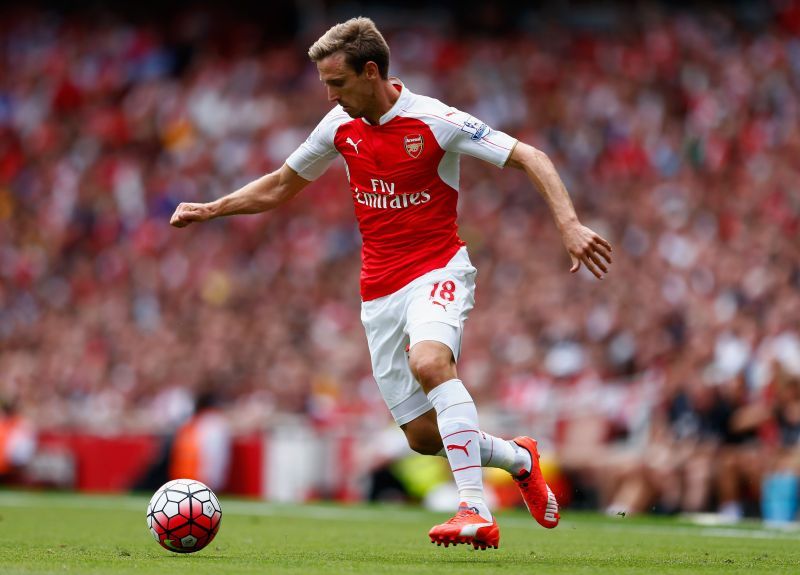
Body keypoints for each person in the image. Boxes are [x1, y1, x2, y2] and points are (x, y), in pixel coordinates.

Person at [170, 17, 612, 550]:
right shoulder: (338, 126)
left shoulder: (434, 120)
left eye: (337, 82)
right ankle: (519, 458)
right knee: (425, 437)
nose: (330, 95)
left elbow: (530, 156)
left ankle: (474, 507)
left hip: (438, 268)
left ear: (371, 71)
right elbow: (281, 185)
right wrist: (213, 208)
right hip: (379, 291)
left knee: (431, 362)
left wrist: (568, 224)